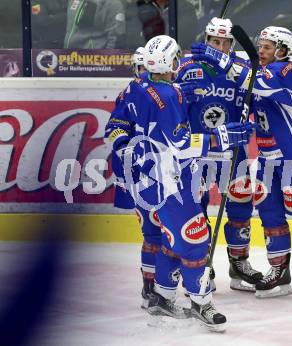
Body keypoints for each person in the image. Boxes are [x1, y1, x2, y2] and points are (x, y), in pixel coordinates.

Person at [196, 26, 292, 301]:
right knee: (270, 213)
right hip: (267, 158)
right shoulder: (261, 73)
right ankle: (279, 272)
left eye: (267, 47)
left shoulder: (288, 70)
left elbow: (257, 82)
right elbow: (249, 94)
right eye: (259, 46)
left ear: (283, 50)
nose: (261, 51)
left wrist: (221, 58)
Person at [122, 35, 254, 331]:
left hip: (150, 177)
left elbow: (144, 108)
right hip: (171, 179)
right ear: (171, 62)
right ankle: (201, 301)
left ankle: (163, 295)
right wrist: (223, 137)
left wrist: (182, 90)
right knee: (195, 240)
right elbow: (180, 143)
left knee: (173, 239)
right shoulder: (169, 97)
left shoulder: (138, 86)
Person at [178, 17, 263, 292]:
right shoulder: (188, 65)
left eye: (225, 43)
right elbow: (167, 98)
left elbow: (257, 84)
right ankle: (202, 263)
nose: (220, 46)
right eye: (215, 41)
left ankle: (239, 263)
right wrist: (180, 92)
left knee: (241, 204)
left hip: (232, 149)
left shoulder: (241, 67)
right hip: (199, 148)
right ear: (207, 40)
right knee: (196, 206)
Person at [105, 46, 161, 310]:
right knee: (152, 232)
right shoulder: (129, 95)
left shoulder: (169, 92)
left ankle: (168, 281)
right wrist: (127, 149)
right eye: (141, 69)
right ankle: (150, 285)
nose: (144, 74)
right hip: (140, 176)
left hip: (166, 174)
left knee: (170, 232)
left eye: (147, 69)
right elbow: (115, 128)